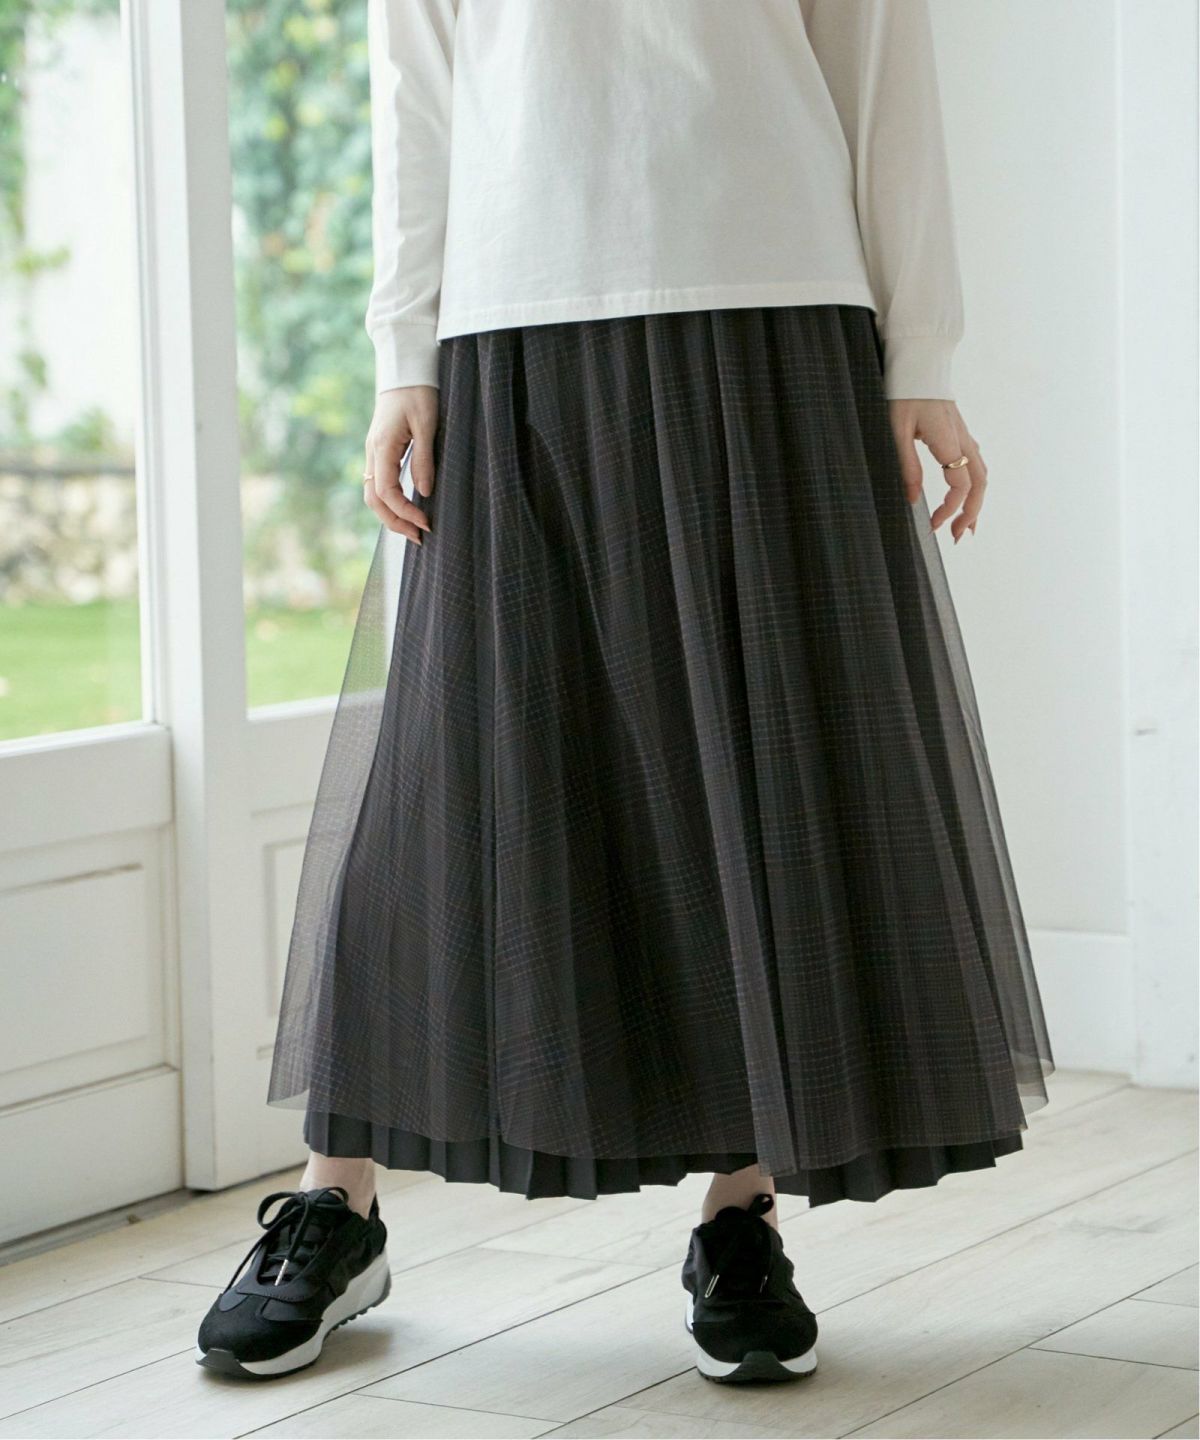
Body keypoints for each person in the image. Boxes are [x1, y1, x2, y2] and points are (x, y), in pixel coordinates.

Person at [196, 0, 1054, 1384]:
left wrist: (924, 351)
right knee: (452, 778)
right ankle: (334, 1198)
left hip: (773, 298)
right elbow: (415, 77)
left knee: (759, 773)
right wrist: (401, 348)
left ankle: (740, 1210)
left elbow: (882, 65)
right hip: (514, 313)